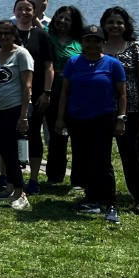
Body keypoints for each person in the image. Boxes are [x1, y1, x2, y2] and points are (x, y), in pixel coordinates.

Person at [56, 23, 128, 224]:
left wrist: (121, 119)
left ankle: (111, 203)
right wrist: (61, 118)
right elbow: (65, 92)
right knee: (83, 159)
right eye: (88, 40)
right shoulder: (73, 62)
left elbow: (122, 94)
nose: (92, 44)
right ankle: (91, 198)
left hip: (102, 118)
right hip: (77, 118)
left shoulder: (113, 64)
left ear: (103, 43)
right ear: (82, 42)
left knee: (102, 161)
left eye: (96, 41)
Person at [101, 6, 139, 214]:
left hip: (129, 110)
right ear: (104, 24)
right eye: (111, 22)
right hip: (101, 109)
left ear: (126, 26)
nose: (115, 26)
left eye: (119, 22)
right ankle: (102, 196)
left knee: (130, 155)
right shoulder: (96, 46)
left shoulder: (135, 47)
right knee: (100, 155)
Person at [0, 19, 34, 210]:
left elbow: (27, 86)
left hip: (15, 107)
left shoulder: (22, 54)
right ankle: (10, 188)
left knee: (12, 151)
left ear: (14, 35)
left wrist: (24, 115)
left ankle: (21, 193)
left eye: (7, 33)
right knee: (2, 149)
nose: (3, 37)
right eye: (0, 33)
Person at [10, 0, 56, 192]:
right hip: (10, 94)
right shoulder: (7, 33)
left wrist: (46, 92)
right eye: (20, 8)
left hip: (36, 94)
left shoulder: (41, 35)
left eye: (28, 9)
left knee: (34, 135)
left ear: (34, 12)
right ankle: (9, 177)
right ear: (14, 11)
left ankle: (34, 178)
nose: (24, 13)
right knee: (10, 135)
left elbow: (49, 67)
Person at [44, 5, 85, 186]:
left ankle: (78, 179)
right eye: (60, 17)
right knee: (56, 136)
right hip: (52, 94)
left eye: (67, 19)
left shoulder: (80, 42)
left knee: (77, 138)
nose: (62, 21)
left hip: (75, 95)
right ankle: (54, 176)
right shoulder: (47, 35)